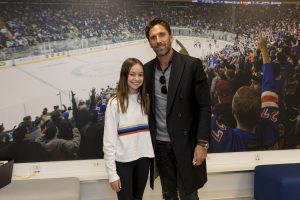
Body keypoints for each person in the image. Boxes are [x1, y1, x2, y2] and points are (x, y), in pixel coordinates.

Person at [144, 18, 211, 200]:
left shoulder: (192, 65)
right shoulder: (147, 70)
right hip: (161, 146)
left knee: (189, 194)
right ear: (149, 43)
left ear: (170, 36)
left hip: (187, 145)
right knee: (168, 195)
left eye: (162, 34)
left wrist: (202, 143)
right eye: (153, 37)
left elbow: (204, 106)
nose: (158, 40)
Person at [103, 58, 154, 200]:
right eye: (132, 74)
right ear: (124, 75)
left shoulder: (147, 99)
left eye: (140, 74)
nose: (136, 79)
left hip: (144, 159)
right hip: (123, 162)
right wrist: (112, 173)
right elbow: (108, 142)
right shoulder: (114, 103)